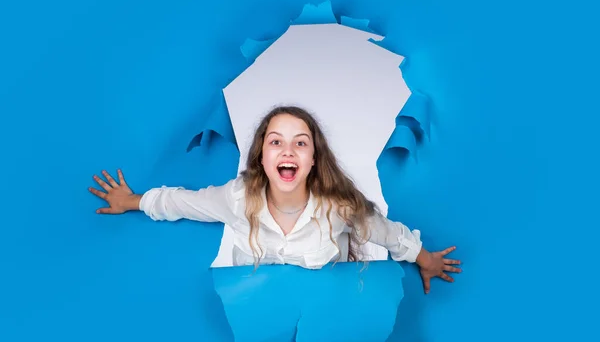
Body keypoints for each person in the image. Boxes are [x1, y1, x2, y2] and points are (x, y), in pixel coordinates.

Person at [89, 105, 461, 294]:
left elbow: (387, 234)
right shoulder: (237, 199)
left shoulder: (339, 208)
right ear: (262, 158)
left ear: (313, 160)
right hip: (264, 304)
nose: (288, 150)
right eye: (276, 142)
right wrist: (132, 200)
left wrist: (426, 260)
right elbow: (182, 203)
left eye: (300, 143)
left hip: (326, 298)